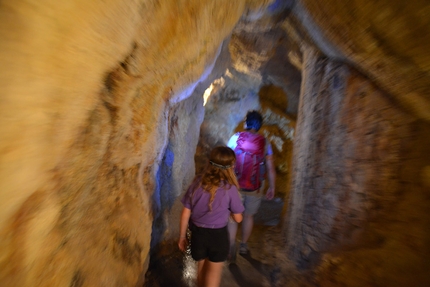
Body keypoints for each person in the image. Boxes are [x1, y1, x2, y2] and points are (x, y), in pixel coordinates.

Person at [178, 146, 244, 287]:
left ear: (209, 162)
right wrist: (230, 212)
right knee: (213, 274)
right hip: (218, 236)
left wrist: (182, 236)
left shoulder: (197, 183)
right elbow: (238, 218)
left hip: (198, 234)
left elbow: (185, 212)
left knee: (200, 269)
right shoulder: (230, 188)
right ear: (231, 166)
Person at [227, 110, 276, 258]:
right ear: (259, 125)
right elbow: (270, 168)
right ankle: (243, 246)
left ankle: (230, 247)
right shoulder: (265, 142)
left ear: (246, 123)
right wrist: (272, 187)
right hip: (255, 187)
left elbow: (226, 162)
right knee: (248, 216)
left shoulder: (235, 138)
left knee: (233, 216)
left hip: (236, 185)